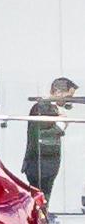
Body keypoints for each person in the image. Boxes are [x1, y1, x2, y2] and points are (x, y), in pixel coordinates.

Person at [23, 77, 75, 205]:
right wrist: (60, 125)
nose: (69, 100)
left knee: (44, 198)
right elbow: (38, 136)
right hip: (41, 163)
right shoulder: (41, 108)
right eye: (68, 96)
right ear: (58, 92)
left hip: (47, 163)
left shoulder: (51, 108)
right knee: (40, 198)